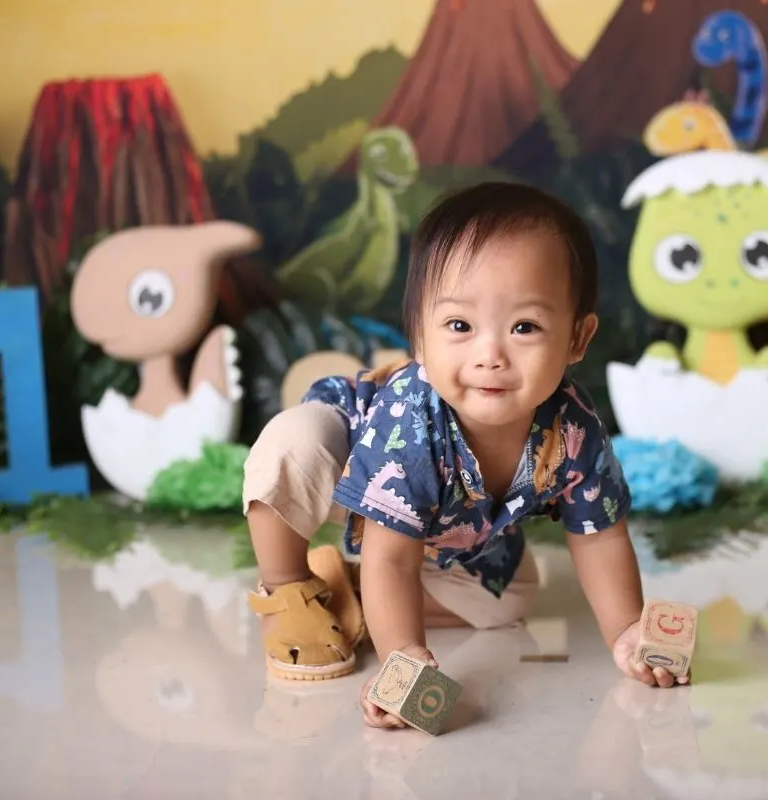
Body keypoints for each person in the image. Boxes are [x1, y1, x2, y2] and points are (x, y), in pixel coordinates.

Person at [242, 182, 686, 730]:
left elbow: (599, 535)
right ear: (420, 338)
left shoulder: (573, 428)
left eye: (525, 327)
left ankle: (349, 595)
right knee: (291, 445)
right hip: (350, 465)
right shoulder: (414, 419)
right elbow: (391, 555)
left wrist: (626, 630)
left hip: (452, 531)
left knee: (511, 602)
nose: (489, 355)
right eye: (459, 326)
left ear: (577, 338)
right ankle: (288, 588)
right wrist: (404, 657)